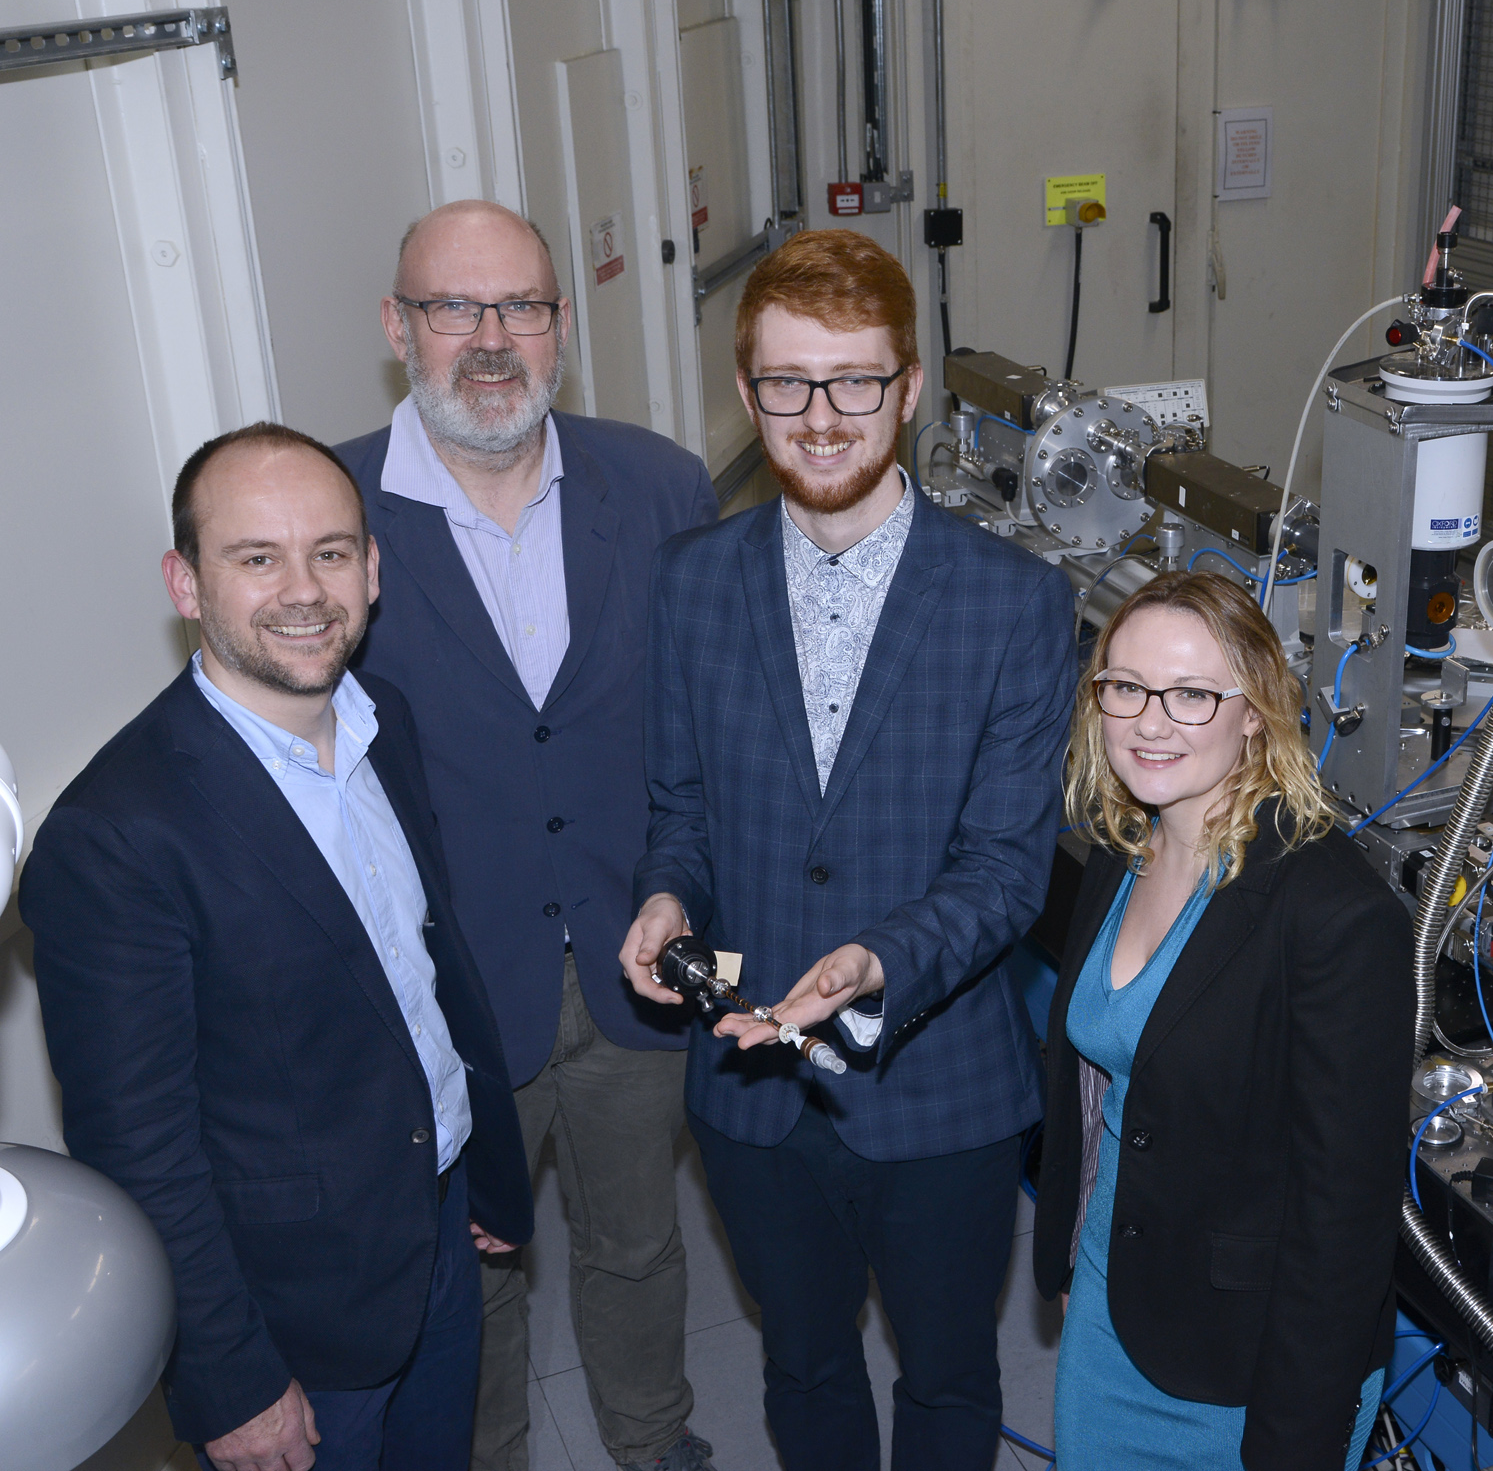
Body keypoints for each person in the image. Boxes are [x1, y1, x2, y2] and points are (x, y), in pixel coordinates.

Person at [619, 227, 1076, 1470]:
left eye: (856, 382)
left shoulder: (1015, 604)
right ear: (747, 389)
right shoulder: (688, 582)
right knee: (802, 1363)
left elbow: (1004, 870)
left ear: (909, 388)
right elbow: (682, 811)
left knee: (944, 1380)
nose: (822, 418)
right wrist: (668, 897)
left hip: (942, 1094)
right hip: (752, 1094)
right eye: (788, 383)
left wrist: (873, 960)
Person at [22, 423, 533, 1471]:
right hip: (292, 1320)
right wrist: (227, 1378)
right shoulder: (115, 836)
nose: (305, 591)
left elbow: (423, 974)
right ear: (185, 581)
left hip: (434, 1233)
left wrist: (480, 1169)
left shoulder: (379, 715)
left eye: (331, 553)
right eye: (257, 558)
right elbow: (139, 1149)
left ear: (372, 568)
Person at [335, 199, 720, 1471]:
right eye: (454, 307)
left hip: (630, 960)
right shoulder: (332, 518)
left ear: (563, 324)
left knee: (637, 1240)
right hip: (444, 993)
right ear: (399, 328)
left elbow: (709, 723)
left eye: (523, 306)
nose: (490, 339)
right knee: (469, 1271)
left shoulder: (660, 484)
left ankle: (652, 1437)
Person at [1031, 570, 1414, 1471]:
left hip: (1246, 1368)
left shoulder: (1334, 916)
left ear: (1255, 711)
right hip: (1108, 1309)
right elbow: (1095, 1087)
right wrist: (1076, 1263)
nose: (1150, 722)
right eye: (1125, 687)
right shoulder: (1124, 847)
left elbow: (1345, 1225)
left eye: (1192, 694)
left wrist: (1293, 1443)